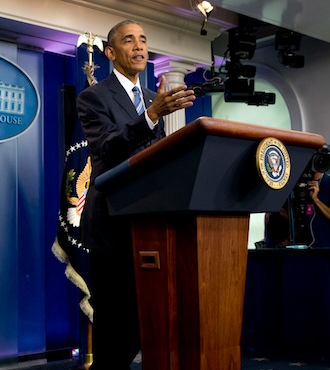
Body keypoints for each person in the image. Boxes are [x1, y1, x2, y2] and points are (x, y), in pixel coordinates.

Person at [76, 19, 196, 370]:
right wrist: (154, 114)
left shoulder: (149, 98)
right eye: (129, 41)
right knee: (116, 335)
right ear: (111, 53)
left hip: (152, 226)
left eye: (143, 40)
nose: (139, 46)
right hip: (114, 228)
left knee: (148, 329)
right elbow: (109, 149)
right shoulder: (93, 97)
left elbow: (157, 156)